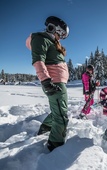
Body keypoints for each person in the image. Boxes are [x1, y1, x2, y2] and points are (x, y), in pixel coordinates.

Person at [26, 16, 70, 152]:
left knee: (58, 112)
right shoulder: (41, 39)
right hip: (54, 83)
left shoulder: (51, 42)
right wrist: (46, 81)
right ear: (53, 28)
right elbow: (38, 61)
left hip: (58, 83)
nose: (61, 38)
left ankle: (45, 128)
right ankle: (55, 145)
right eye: (61, 34)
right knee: (62, 116)